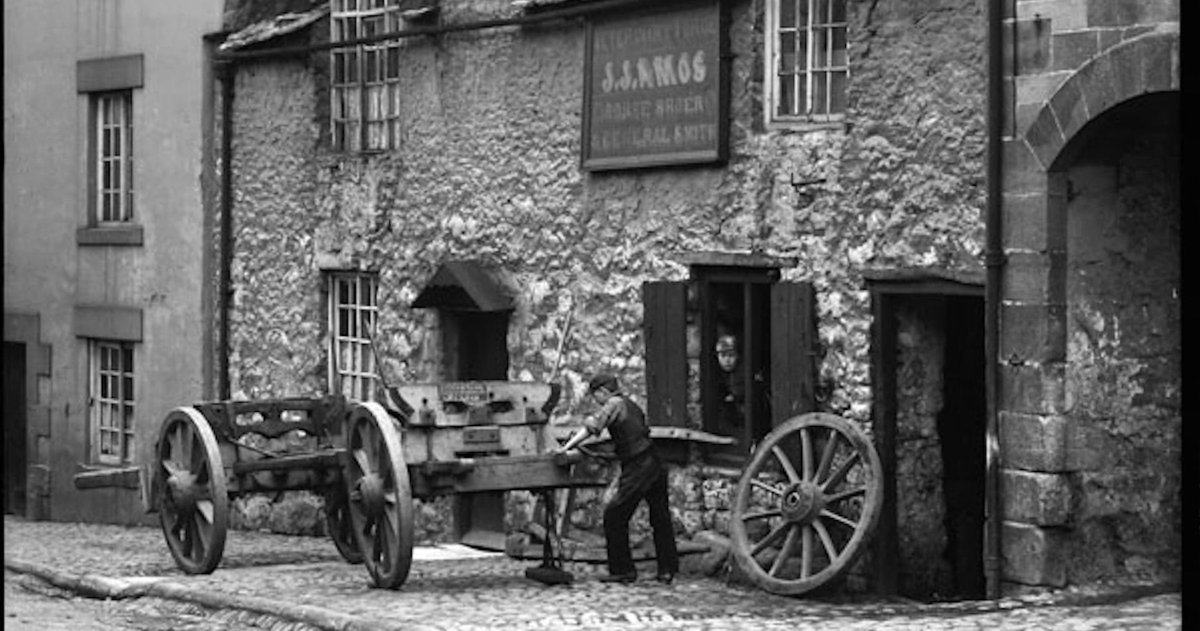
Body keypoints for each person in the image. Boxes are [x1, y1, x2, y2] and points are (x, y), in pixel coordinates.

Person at [556, 373, 679, 584]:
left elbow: (592, 427)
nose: (596, 401)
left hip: (639, 466)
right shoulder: (631, 404)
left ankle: (623, 570)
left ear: (603, 391)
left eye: (596, 396)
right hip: (654, 461)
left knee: (614, 515)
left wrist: (566, 447)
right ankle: (667, 569)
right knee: (660, 517)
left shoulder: (614, 404)